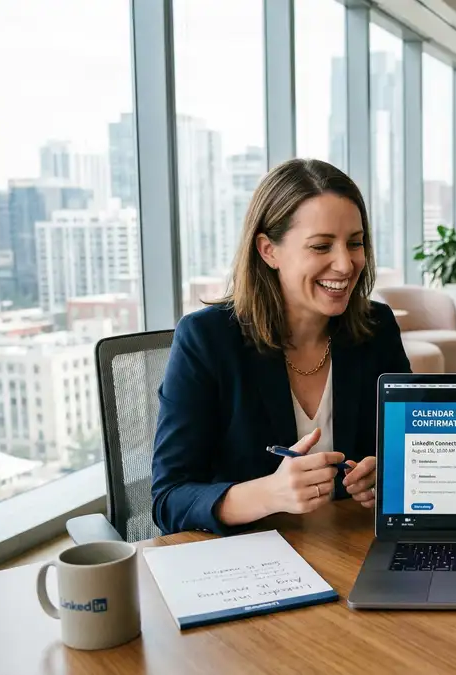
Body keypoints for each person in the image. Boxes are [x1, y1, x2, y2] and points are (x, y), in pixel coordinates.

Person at [151, 158, 411, 535]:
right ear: (268, 250)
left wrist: (386, 476)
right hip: (248, 561)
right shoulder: (206, 339)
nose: (345, 264)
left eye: (355, 243)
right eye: (321, 246)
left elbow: (412, 454)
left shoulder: (376, 327)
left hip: (346, 545)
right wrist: (268, 493)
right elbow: (168, 499)